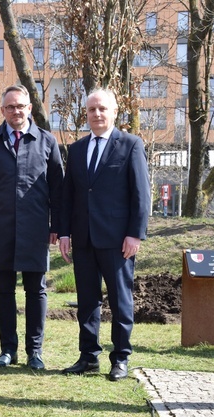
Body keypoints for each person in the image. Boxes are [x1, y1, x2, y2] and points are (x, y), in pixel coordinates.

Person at [58, 88, 150, 382]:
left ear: (114, 112)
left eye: (102, 109)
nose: (96, 114)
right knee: (87, 301)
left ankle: (120, 358)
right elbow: (68, 195)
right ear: (85, 114)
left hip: (117, 240)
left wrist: (135, 235)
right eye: (91, 110)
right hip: (83, 239)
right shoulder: (76, 149)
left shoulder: (131, 145)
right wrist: (64, 233)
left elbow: (141, 194)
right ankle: (88, 357)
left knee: (121, 301)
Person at [0, 85, 64, 370]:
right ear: (2, 111)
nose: (16, 111)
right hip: (0, 229)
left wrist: (57, 226)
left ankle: (34, 352)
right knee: (3, 290)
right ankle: (7, 350)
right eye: (10, 107)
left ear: (29, 109)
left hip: (36, 229)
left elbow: (58, 190)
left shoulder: (47, 141)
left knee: (36, 290)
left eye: (20, 106)